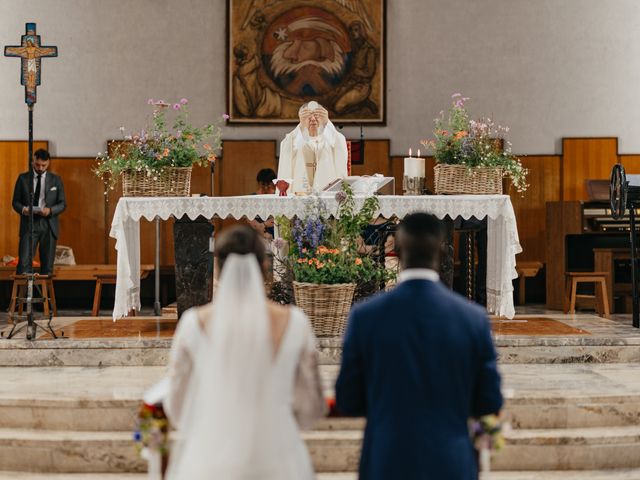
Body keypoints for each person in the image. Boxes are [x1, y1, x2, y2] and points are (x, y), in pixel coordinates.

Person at [335, 212, 503, 480]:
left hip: (387, 460)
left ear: (397, 251)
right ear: (442, 251)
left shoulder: (365, 316)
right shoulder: (473, 319)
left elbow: (348, 399)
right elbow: (489, 400)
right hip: (451, 461)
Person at [164, 225, 325, 479]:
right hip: (279, 458)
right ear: (263, 266)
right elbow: (311, 407)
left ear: (217, 267)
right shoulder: (295, 322)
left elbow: (177, 406)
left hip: (211, 460)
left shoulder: (193, 324)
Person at [12, 148, 66, 275]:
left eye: (44, 165)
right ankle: (24, 295)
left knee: (47, 266)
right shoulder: (23, 178)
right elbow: (15, 202)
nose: (41, 168)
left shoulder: (56, 180)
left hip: (48, 224)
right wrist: (23, 209)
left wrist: (50, 210)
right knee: (24, 264)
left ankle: (45, 294)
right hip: (29, 223)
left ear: (48, 163)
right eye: (37, 164)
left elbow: (63, 204)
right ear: (33, 162)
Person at [277, 101, 348, 194]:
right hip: (300, 193)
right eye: (308, 116)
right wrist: (301, 126)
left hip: (327, 193)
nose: (313, 119)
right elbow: (287, 149)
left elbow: (340, 144)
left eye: (316, 115)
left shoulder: (330, 139)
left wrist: (327, 122)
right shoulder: (295, 139)